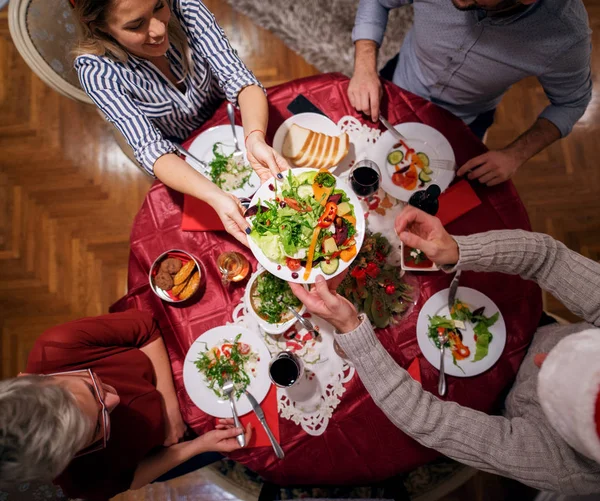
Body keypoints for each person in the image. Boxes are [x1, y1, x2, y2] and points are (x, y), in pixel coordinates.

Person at [290, 206, 600, 494]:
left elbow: (429, 421)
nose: (542, 360)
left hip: (501, 408)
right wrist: (457, 251)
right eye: (578, 353)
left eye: (554, 380)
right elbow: (548, 258)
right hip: (531, 327)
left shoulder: (569, 468)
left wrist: (350, 329)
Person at [71, 0, 289, 244]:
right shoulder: (97, 72)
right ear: (100, 29)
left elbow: (239, 80)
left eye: (158, 6)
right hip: (178, 149)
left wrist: (255, 138)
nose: (158, 30)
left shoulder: (187, 8)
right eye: (136, 25)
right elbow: (150, 148)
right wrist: (216, 197)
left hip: (231, 114)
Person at [0, 310, 252, 500]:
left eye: (92, 389)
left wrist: (169, 410)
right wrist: (199, 445)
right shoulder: (77, 481)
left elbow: (145, 327)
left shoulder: (59, 345)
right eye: (99, 427)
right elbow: (131, 478)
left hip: (171, 373)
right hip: (170, 447)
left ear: (33, 380)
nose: (114, 400)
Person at [348, 0, 592, 186]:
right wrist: (364, 67)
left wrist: (514, 155)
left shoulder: (565, 36)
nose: (459, 2)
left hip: (464, 121)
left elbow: (571, 103)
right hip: (398, 80)